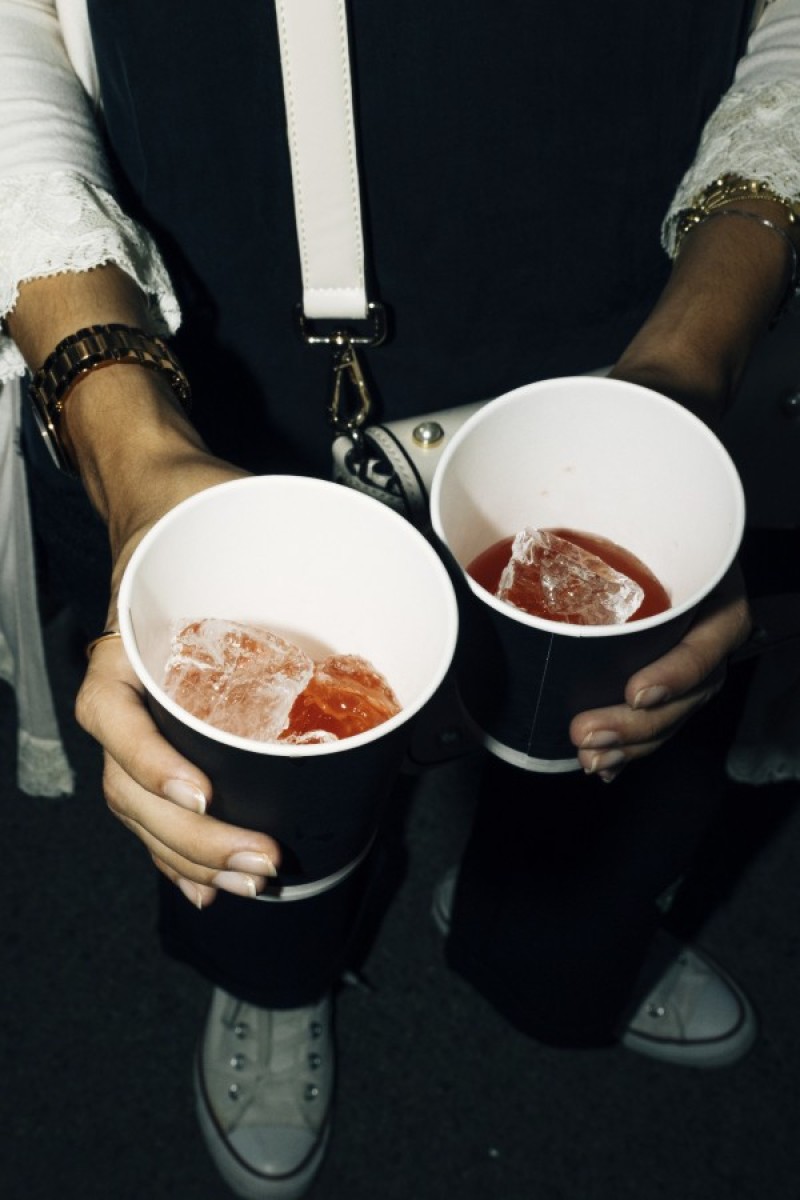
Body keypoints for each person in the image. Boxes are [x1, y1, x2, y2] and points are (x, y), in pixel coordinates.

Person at [1, 1, 799, 1197]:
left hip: (632, 296)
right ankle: (275, 975)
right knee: (249, 788)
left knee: (613, 731)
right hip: (206, 338)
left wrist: (695, 354)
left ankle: (553, 941)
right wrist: (120, 426)